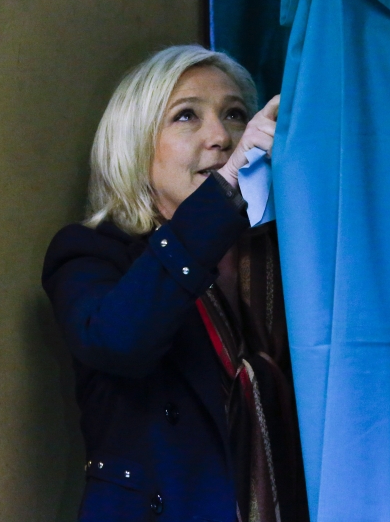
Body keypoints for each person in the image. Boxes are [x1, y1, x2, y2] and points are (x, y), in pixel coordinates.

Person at [42, 46, 309, 522]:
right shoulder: (90, 252)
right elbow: (121, 341)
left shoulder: (286, 258)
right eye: (187, 116)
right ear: (136, 145)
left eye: (234, 114)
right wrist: (222, 194)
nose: (221, 137)